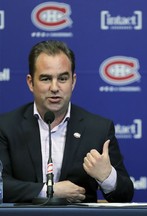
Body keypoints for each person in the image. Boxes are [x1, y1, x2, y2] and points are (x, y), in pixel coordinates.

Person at [0, 40, 134, 203]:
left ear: (73, 81)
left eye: (63, 78)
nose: (55, 87)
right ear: (31, 83)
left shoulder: (98, 129)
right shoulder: (6, 127)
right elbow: (2, 186)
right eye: (46, 79)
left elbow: (126, 195)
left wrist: (107, 177)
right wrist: (50, 190)